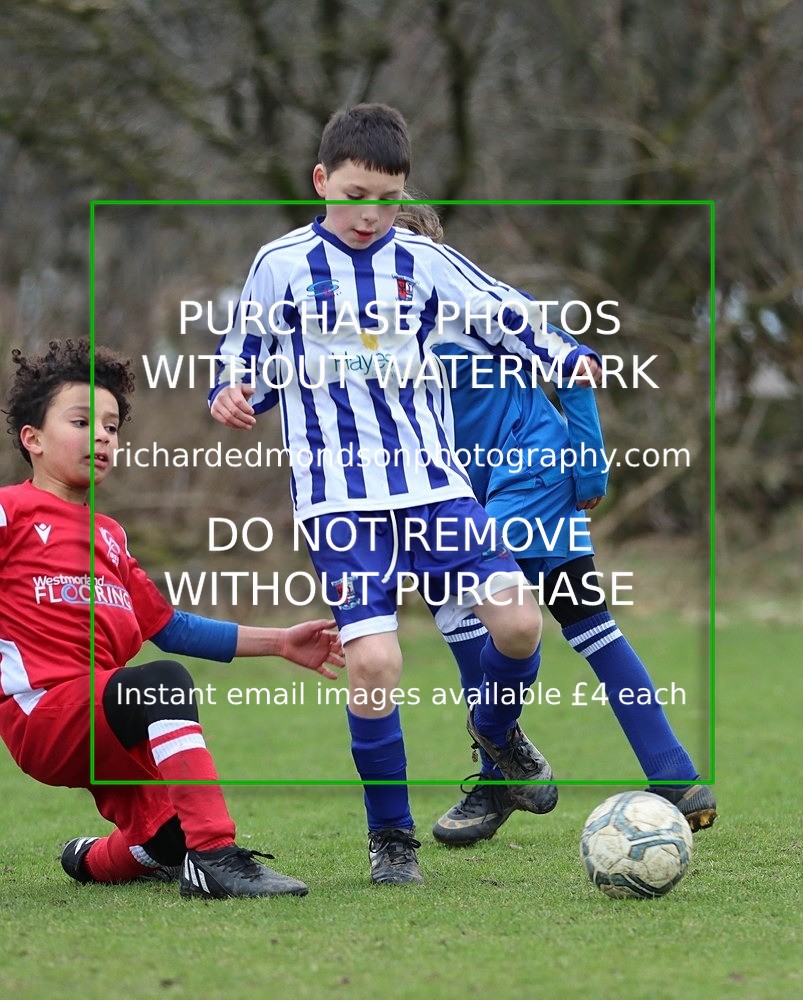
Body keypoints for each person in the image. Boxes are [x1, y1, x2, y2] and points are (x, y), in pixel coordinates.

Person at [209, 103, 603, 886]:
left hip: (433, 491)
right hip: (340, 504)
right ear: (322, 181)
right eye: (355, 195)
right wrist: (229, 392)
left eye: (386, 199)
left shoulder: (420, 263)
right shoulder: (281, 263)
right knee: (376, 664)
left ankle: (495, 733)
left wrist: (565, 353)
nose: (370, 214)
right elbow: (242, 353)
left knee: (520, 625)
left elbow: (503, 312)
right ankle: (391, 839)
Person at [392, 200, 717, 845]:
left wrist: (588, 470)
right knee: (516, 629)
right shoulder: (372, 337)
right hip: (452, 493)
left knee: (526, 618)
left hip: (531, 475)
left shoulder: (474, 303)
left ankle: (500, 755)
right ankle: (667, 776)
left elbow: (575, 367)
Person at [0, 338, 345, 900]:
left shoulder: (109, 538)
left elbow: (170, 627)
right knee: (160, 685)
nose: (103, 436)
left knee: (166, 837)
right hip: (46, 717)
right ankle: (214, 857)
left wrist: (281, 641)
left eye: (112, 427)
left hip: (109, 720)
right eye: (83, 421)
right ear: (32, 439)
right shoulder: (10, 511)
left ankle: (92, 859)